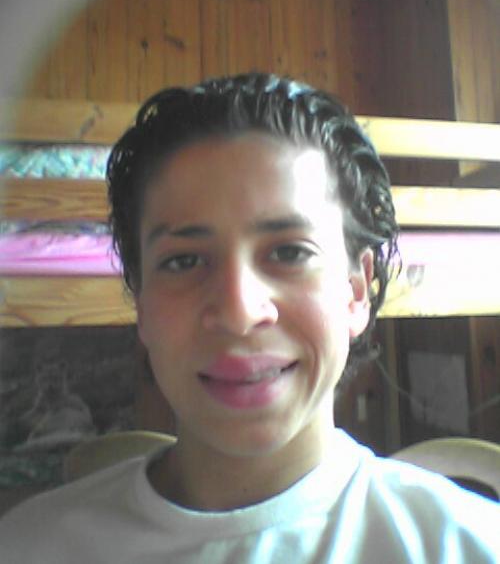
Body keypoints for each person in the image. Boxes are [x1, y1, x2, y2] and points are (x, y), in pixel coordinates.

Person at [0, 73, 498, 562]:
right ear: (143, 305)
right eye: (184, 261)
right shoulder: (28, 545)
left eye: (289, 252)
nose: (239, 313)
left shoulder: (469, 544)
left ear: (355, 291)